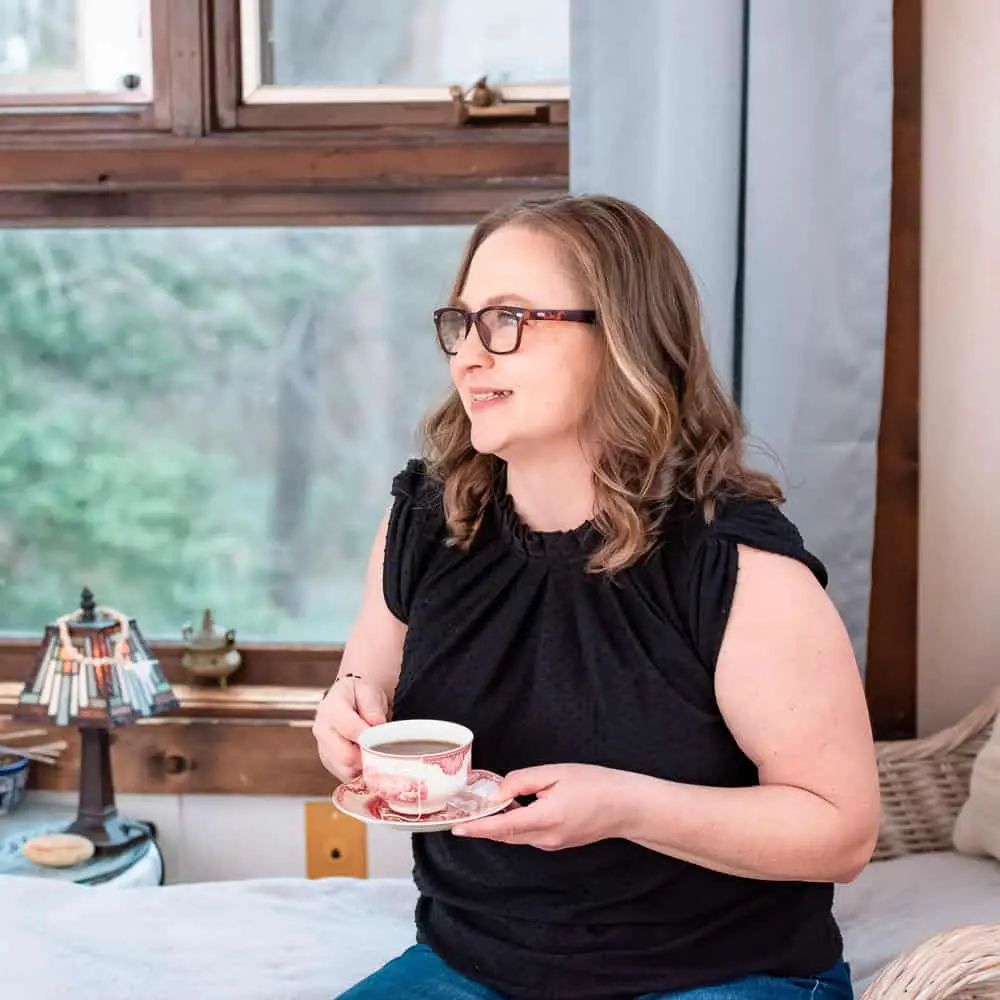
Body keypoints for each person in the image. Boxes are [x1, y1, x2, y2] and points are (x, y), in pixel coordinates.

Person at [313, 193, 881, 1000]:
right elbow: (363, 697)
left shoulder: (736, 563)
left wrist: (626, 808)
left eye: (507, 320)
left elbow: (841, 834)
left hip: (715, 976)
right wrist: (341, 715)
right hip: (469, 964)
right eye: (461, 323)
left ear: (621, 340)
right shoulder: (424, 523)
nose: (469, 355)